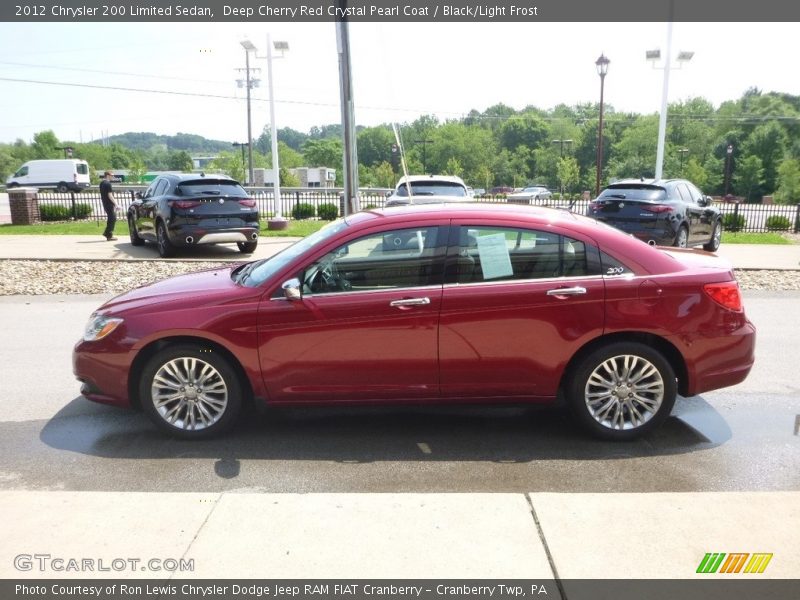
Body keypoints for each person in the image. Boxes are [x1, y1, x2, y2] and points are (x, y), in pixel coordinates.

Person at [100, 170, 118, 241]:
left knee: (111, 218)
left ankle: (108, 234)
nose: (113, 177)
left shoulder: (102, 183)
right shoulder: (108, 184)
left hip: (105, 203)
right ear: (108, 176)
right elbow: (110, 195)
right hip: (109, 204)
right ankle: (108, 234)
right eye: (112, 175)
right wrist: (116, 204)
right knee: (112, 218)